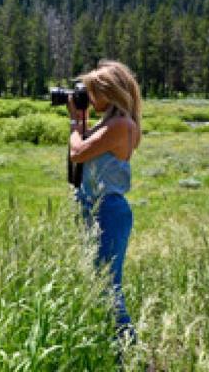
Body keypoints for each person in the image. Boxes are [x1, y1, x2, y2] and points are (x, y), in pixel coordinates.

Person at [66, 59, 142, 345]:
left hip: (108, 211)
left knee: (109, 287)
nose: (88, 96)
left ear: (109, 93)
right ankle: (111, 347)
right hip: (96, 208)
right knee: (97, 283)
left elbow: (78, 152)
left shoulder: (121, 125)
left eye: (92, 91)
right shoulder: (110, 124)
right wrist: (82, 120)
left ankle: (130, 352)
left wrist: (75, 122)